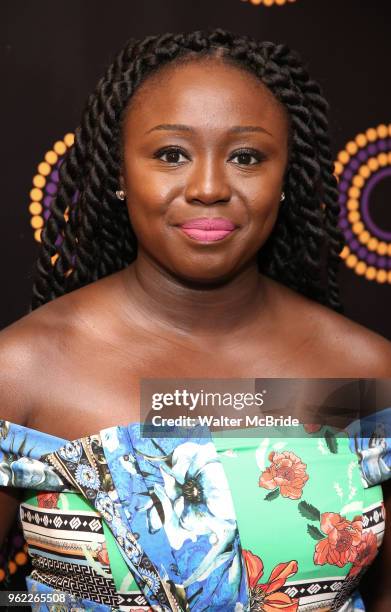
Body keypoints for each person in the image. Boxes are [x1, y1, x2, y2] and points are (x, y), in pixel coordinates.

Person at [0, 28, 390, 611]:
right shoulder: (25, 370)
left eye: (246, 157)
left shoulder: (362, 371)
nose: (209, 188)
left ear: (286, 178)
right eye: (171, 154)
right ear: (119, 173)